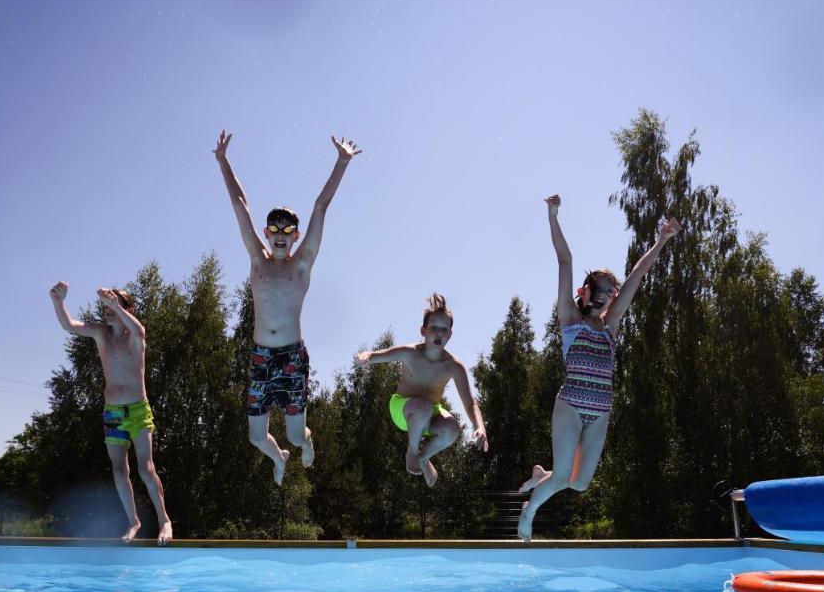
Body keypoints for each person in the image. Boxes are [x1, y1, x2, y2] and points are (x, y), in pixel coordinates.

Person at [516, 195, 681, 541]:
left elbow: (638, 273)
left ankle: (540, 475)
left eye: (613, 290)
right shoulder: (570, 319)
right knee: (562, 479)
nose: (610, 295)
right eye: (604, 289)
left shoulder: (611, 326)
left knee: (578, 482)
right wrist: (553, 216)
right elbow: (565, 260)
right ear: (587, 291)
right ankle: (529, 511)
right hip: (572, 403)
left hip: (601, 410)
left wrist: (661, 240)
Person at [215, 130, 361, 485]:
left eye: (288, 228)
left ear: (295, 235)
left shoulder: (302, 264)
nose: (280, 233)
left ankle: (303, 443)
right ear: (266, 233)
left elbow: (320, 207)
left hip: (293, 358)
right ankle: (276, 456)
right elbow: (240, 206)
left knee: (297, 436)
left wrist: (341, 162)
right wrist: (223, 161)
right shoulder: (257, 260)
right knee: (255, 436)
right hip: (261, 357)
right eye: (274, 228)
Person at [49, 281, 172, 544]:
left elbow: (139, 328)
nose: (108, 308)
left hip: (138, 410)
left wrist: (115, 303)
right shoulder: (101, 333)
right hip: (113, 413)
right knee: (118, 471)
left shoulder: (136, 336)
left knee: (146, 469)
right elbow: (69, 325)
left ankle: (164, 521)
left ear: (128, 308)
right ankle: (134, 522)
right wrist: (58, 302)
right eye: (106, 304)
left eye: (115, 304)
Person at [354, 293, 488, 486]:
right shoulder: (410, 353)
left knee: (452, 429)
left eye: (444, 329)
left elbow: (470, 403)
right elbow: (376, 355)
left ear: (450, 334)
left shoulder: (454, 366)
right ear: (423, 330)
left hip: (429, 411)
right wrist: (366, 356)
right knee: (423, 407)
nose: (438, 333)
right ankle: (412, 452)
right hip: (402, 409)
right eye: (433, 328)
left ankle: (424, 457)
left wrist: (480, 427)